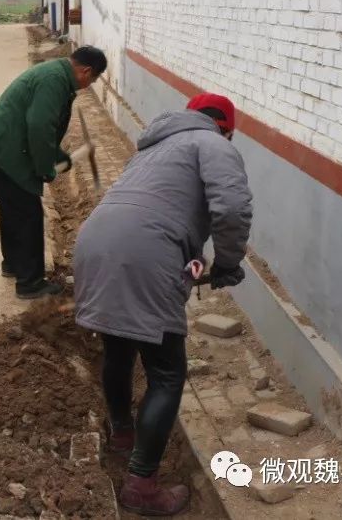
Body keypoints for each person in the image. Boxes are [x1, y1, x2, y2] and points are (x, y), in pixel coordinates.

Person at [73, 93, 253, 516]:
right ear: (225, 127)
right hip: (146, 254)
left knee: (117, 348)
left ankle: (121, 434)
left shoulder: (155, 147)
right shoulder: (215, 145)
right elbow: (232, 209)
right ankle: (141, 485)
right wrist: (228, 263)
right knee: (168, 372)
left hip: (96, 241)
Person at [0, 46, 108, 299]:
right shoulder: (54, 81)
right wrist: (46, 168)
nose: (89, 85)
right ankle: (30, 283)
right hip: (5, 153)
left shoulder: (56, 74)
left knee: (12, 209)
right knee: (28, 214)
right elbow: (39, 126)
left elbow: (41, 130)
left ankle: (13, 263)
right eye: (93, 79)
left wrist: (60, 157)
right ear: (86, 72)